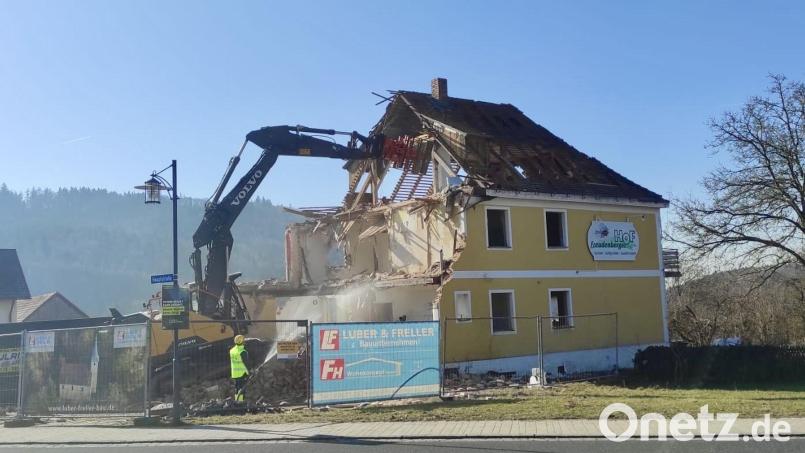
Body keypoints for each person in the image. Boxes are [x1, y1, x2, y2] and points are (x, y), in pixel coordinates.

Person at [229, 334, 249, 402]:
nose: (245, 342)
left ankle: (237, 402)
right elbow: (246, 365)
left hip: (235, 373)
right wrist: (250, 372)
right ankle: (241, 403)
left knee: (237, 388)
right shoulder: (243, 352)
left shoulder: (232, 350)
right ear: (242, 342)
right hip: (242, 373)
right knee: (242, 389)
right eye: (244, 341)